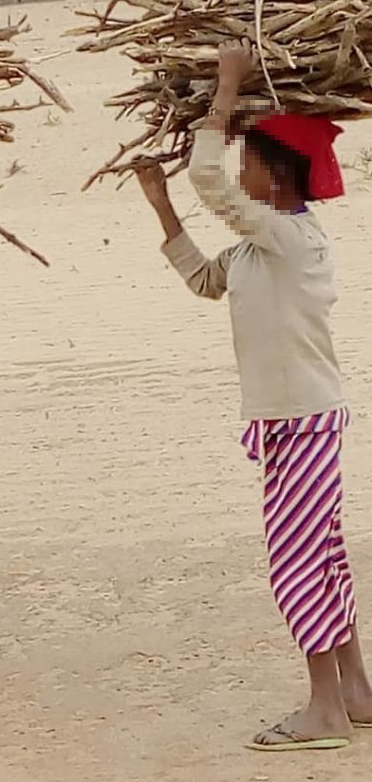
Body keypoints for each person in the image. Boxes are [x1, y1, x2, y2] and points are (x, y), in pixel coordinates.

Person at [135, 40, 372, 752]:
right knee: (321, 555)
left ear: (279, 174)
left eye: (250, 163)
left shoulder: (288, 237)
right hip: (298, 421)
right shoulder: (264, 246)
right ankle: (355, 692)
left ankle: (325, 710)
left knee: (297, 562)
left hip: (300, 423)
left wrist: (227, 87)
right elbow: (206, 280)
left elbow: (209, 178)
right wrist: (161, 207)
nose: (240, 174)